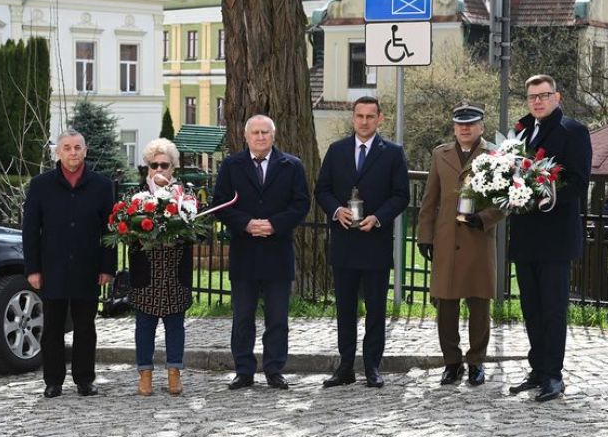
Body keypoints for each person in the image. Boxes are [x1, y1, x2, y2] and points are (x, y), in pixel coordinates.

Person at [314, 96, 409, 389]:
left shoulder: (392, 153)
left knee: (376, 309)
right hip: (344, 243)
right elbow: (322, 189)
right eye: (360, 116)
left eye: (370, 116)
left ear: (380, 118)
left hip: (375, 242)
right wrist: (335, 210)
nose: (364, 121)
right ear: (353, 117)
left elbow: (401, 195)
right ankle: (345, 365)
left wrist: (378, 218)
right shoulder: (337, 150)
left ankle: (372, 365)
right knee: (344, 308)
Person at [508, 75, 593, 403]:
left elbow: (579, 181)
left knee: (553, 308)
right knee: (531, 306)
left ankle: (554, 376)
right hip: (526, 233)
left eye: (544, 95)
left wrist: (543, 193)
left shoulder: (573, 131)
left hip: (555, 233)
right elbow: (510, 171)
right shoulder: (521, 130)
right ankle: (537, 369)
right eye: (532, 97)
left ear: (557, 96)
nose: (538, 102)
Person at [212, 115, 311, 390]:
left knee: (277, 318)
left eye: (265, 132)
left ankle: (274, 369)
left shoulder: (291, 165)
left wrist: (274, 224)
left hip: (278, 251)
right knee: (243, 316)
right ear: (246, 136)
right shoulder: (232, 166)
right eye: (255, 132)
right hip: (245, 253)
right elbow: (220, 203)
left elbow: (301, 203)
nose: (260, 137)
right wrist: (245, 223)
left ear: (273, 135)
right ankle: (244, 370)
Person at [416, 102, 506, 387]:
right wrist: (424, 236)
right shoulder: (440, 154)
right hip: (446, 239)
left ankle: (476, 362)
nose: (465, 128)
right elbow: (430, 200)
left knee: (479, 305)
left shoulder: (495, 154)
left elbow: (505, 200)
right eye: (460, 124)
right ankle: (451, 362)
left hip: (478, 239)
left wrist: (484, 218)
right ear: (454, 127)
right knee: (446, 304)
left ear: (481, 126)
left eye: (471, 123)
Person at [22, 130, 115, 399]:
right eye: (67, 148)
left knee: (86, 327)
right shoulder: (41, 185)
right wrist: (33, 269)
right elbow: (30, 230)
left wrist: (107, 267)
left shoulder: (101, 185)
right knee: (52, 327)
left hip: (88, 268)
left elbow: (109, 230)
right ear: (58, 153)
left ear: (85, 151)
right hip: (53, 268)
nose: (73, 152)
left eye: (77, 147)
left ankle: (85, 379)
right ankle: (53, 380)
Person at [128, 138, 192, 397]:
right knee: (145, 326)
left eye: (164, 164)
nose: (158, 169)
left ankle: (174, 374)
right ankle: (145, 375)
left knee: (175, 325)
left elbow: (194, 230)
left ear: (173, 167)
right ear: (147, 168)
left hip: (175, 272)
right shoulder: (135, 196)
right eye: (153, 164)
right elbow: (126, 230)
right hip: (146, 273)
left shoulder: (184, 196)